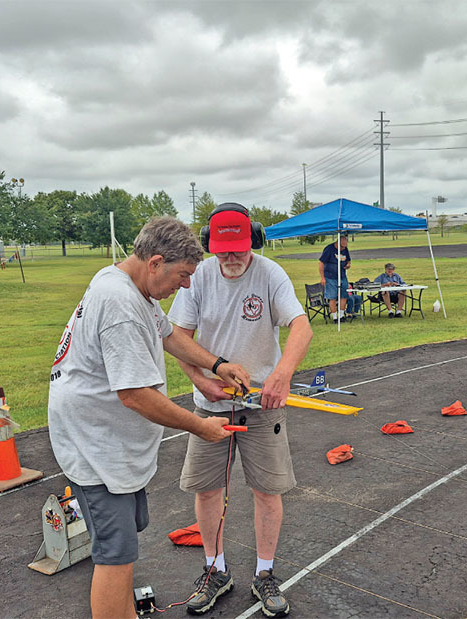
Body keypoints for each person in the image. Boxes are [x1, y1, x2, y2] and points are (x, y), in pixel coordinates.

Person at [47, 216, 251, 619]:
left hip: (109, 442)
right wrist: (200, 426)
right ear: (156, 262)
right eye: (184, 274)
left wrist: (218, 363)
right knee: (114, 555)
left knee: (122, 551)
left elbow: (168, 333)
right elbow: (136, 396)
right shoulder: (120, 304)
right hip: (97, 447)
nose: (188, 284)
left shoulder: (131, 285)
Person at [168, 202, 312, 617]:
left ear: (254, 240)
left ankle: (265, 573)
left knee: (268, 491)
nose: (231, 257)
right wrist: (200, 381)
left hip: (262, 406)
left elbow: (300, 326)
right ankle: (216, 569)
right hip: (209, 405)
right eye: (223, 249)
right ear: (209, 244)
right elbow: (177, 335)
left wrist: (281, 374)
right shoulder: (198, 278)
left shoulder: (270, 274)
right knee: (207, 489)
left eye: (240, 248)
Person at [318, 234, 353, 323]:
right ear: (338, 242)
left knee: (344, 295)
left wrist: (348, 264)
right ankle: (334, 317)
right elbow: (321, 263)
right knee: (332, 296)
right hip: (330, 277)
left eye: (346, 242)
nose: (345, 244)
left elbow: (348, 260)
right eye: (344, 242)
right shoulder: (329, 249)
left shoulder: (345, 250)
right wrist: (322, 277)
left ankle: (341, 316)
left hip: (342, 276)